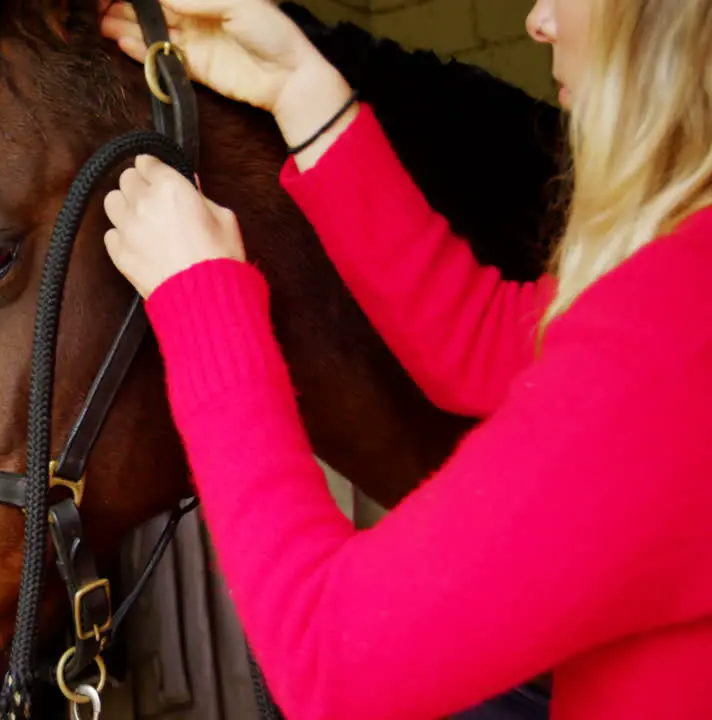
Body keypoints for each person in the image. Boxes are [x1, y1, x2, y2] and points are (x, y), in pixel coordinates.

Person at [96, 0, 712, 718]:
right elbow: (486, 340)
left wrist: (200, 301)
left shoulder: (678, 326)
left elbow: (328, 663)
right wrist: (301, 89)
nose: (540, 20)